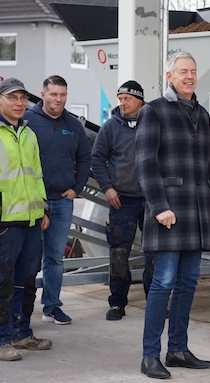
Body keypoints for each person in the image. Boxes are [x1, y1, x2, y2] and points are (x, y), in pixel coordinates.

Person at [135, 51, 210, 379]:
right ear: (170, 76)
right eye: (182, 72)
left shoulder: (202, 114)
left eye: (193, 71)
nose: (189, 76)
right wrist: (159, 207)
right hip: (169, 211)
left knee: (189, 281)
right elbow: (145, 164)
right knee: (163, 282)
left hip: (196, 210)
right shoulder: (154, 111)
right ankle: (150, 356)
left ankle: (177, 349)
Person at [0, 77, 52, 362]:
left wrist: (42, 210)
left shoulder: (27, 133)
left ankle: (20, 332)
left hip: (29, 222)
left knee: (25, 281)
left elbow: (36, 175)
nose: (19, 103)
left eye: (22, 98)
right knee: (0, 282)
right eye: (12, 97)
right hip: (1, 226)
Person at [24, 75, 92, 325]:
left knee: (54, 258)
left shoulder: (73, 125)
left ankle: (52, 306)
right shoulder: (28, 121)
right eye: (54, 94)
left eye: (63, 95)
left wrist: (76, 187)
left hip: (62, 201)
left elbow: (86, 158)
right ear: (43, 94)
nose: (59, 99)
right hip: (32, 202)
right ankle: (21, 309)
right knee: (27, 257)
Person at [91, 80, 151, 321]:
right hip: (121, 201)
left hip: (151, 201)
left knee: (154, 253)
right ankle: (117, 303)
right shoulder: (110, 127)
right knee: (118, 253)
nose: (122, 103)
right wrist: (108, 189)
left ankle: (154, 301)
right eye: (120, 98)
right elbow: (97, 159)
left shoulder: (153, 123)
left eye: (127, 98)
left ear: (139, 100)